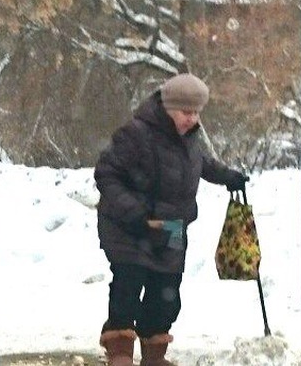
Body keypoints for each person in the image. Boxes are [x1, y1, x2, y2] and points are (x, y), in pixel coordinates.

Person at [94, 73, 249, 366]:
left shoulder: (188, 139)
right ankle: (120, 354)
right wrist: (135, 212)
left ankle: (154, 356)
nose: (192, 119)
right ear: (168, 109)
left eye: (196, 113)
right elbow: (107, 173)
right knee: (128, 285)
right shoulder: (136, 133)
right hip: (130, 227)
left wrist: (227, 176)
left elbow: (201, 162)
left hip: (172, 228)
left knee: (166, 296)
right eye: (186, 112)